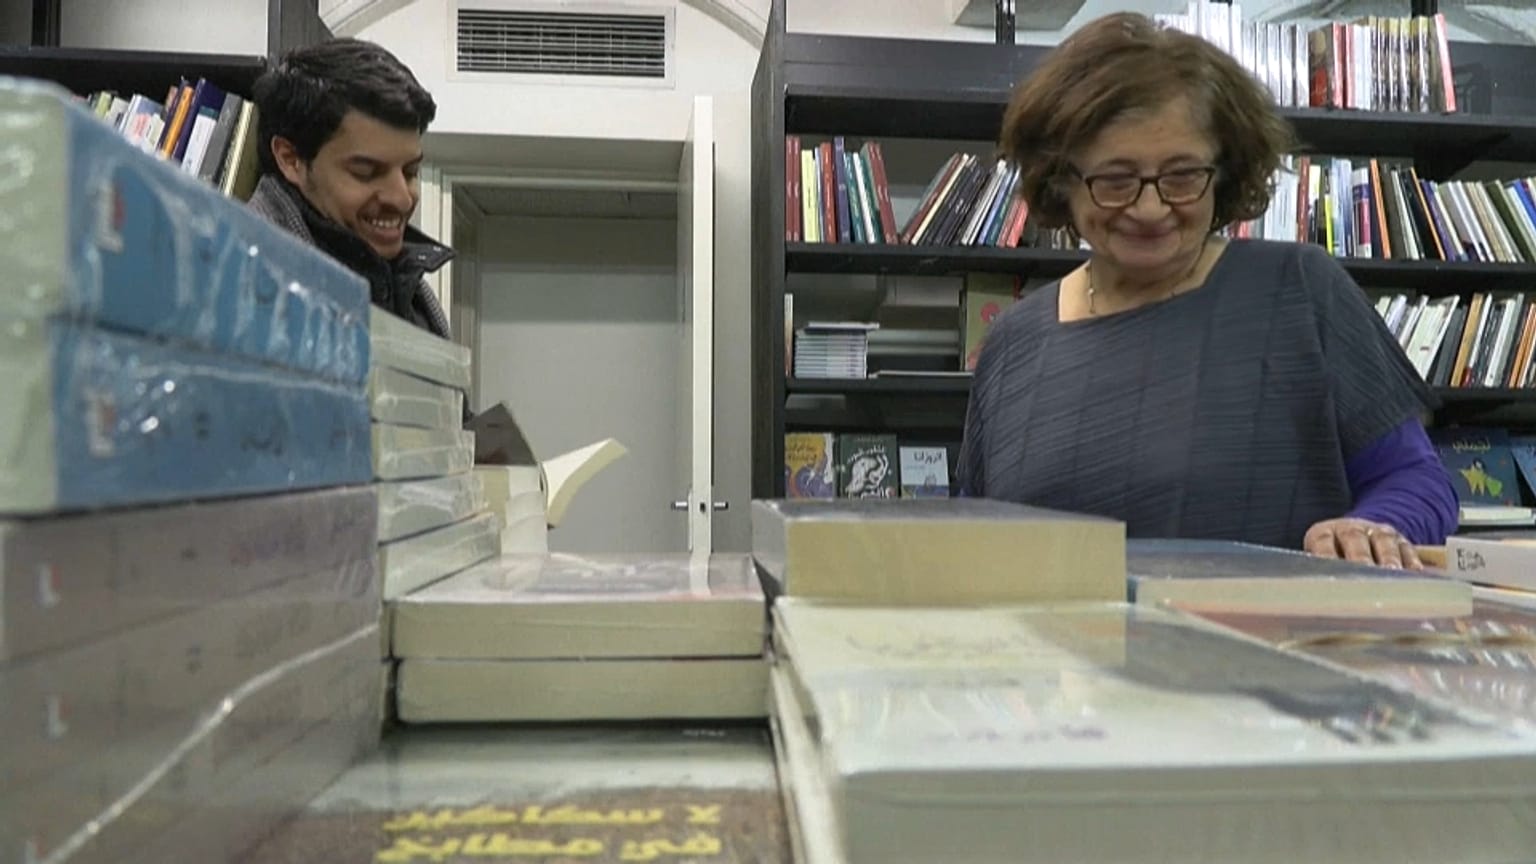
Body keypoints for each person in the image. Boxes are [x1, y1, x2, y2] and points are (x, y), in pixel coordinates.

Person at [955, 11, 1458, 570]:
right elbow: (975, 532)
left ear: (1224, 171)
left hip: (1271, 647)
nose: (1150, 209)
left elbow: (1416, 479)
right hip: (1059, 654)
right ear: (1060, 182)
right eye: (1115, 180)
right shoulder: (1013, 344)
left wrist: (1374, 528)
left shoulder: (1300, 291)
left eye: (1181, 175)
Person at [247, 37, 453, 341]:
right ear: (291, 159)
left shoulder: (412, 293)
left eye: (410, 172)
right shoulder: (243, 288)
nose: (401, 197)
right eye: (366, 173)